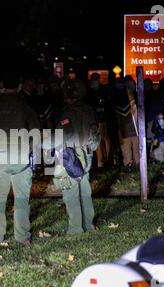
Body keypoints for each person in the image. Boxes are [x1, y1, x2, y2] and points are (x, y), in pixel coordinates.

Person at [0, 73, 40, 245]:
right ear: (19, 86)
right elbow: (35, 132)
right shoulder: (25, 105)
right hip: (21, 158)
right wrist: (34, 155)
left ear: (1, 85)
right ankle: (22, 236)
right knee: (22, 199)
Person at [52, 79, 99, 234]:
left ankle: (75, 229)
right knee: (85, 191)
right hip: (87, 153)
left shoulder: (68, 112)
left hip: (71, 154)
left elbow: (63, 135)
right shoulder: (89, 110)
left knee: (71, 192)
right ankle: (88, 225)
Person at [113, 76, 139, 169]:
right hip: (129, 127)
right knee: (129, 148)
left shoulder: (132, 94)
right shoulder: (132, 94)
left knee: (130, 148)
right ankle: (133, 164)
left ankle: (131, 164)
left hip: (130, 126)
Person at [86, 73, 111, 168]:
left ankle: (108, 160)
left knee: (105, 139)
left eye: (95, 80)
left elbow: (107, 104)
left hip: (103, 119)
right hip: (93, 121)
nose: (93, 82)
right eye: (92, 80)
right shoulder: (89, 93)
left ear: (98, 81)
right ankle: (100, 162)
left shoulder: (104, 90)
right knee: (97, 141)